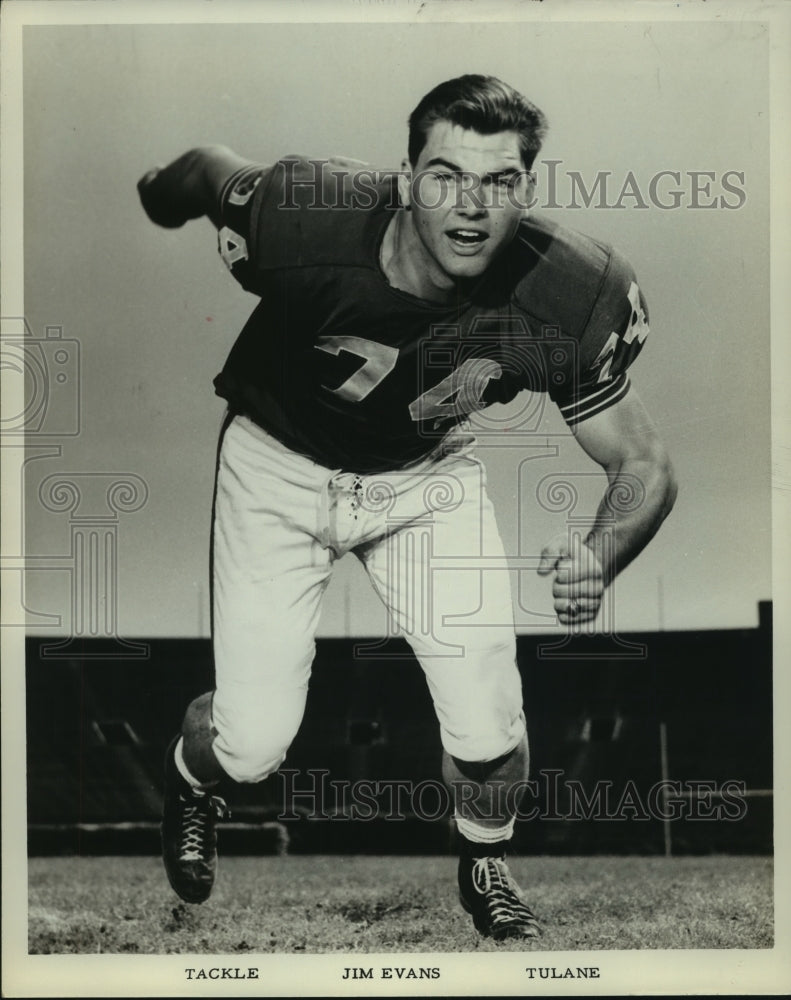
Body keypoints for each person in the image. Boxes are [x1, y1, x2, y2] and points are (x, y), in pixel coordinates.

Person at [137, 75, 677, 941]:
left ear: (526, 189)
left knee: (489, 711)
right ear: (404, 174)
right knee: (252, 742)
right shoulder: (303, 214)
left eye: (498, 181)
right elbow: (210, 171)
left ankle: (485, 860)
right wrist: (162, 191)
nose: (469, 206)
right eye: (444, 174)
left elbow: (641, 458)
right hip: (278, 465)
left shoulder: (567, 292)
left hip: (424, 477)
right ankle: (194, 781)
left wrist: (600, 550)